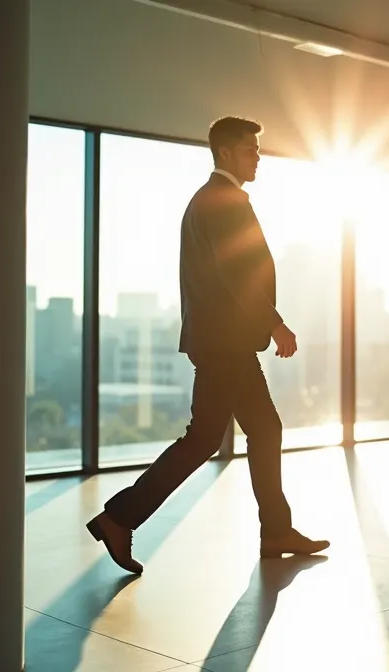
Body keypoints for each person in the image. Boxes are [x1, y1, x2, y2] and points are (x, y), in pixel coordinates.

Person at [86, 116, 329, 574]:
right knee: (204, 440)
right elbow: (236, 272)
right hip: (226, 344)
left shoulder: (210, 199)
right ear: (224, 153)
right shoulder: (222, 200)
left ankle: (276, 530)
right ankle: (119, 518)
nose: (258, 157)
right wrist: (276, 323)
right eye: (249, 150)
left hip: (223, 341)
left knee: (261, 431)